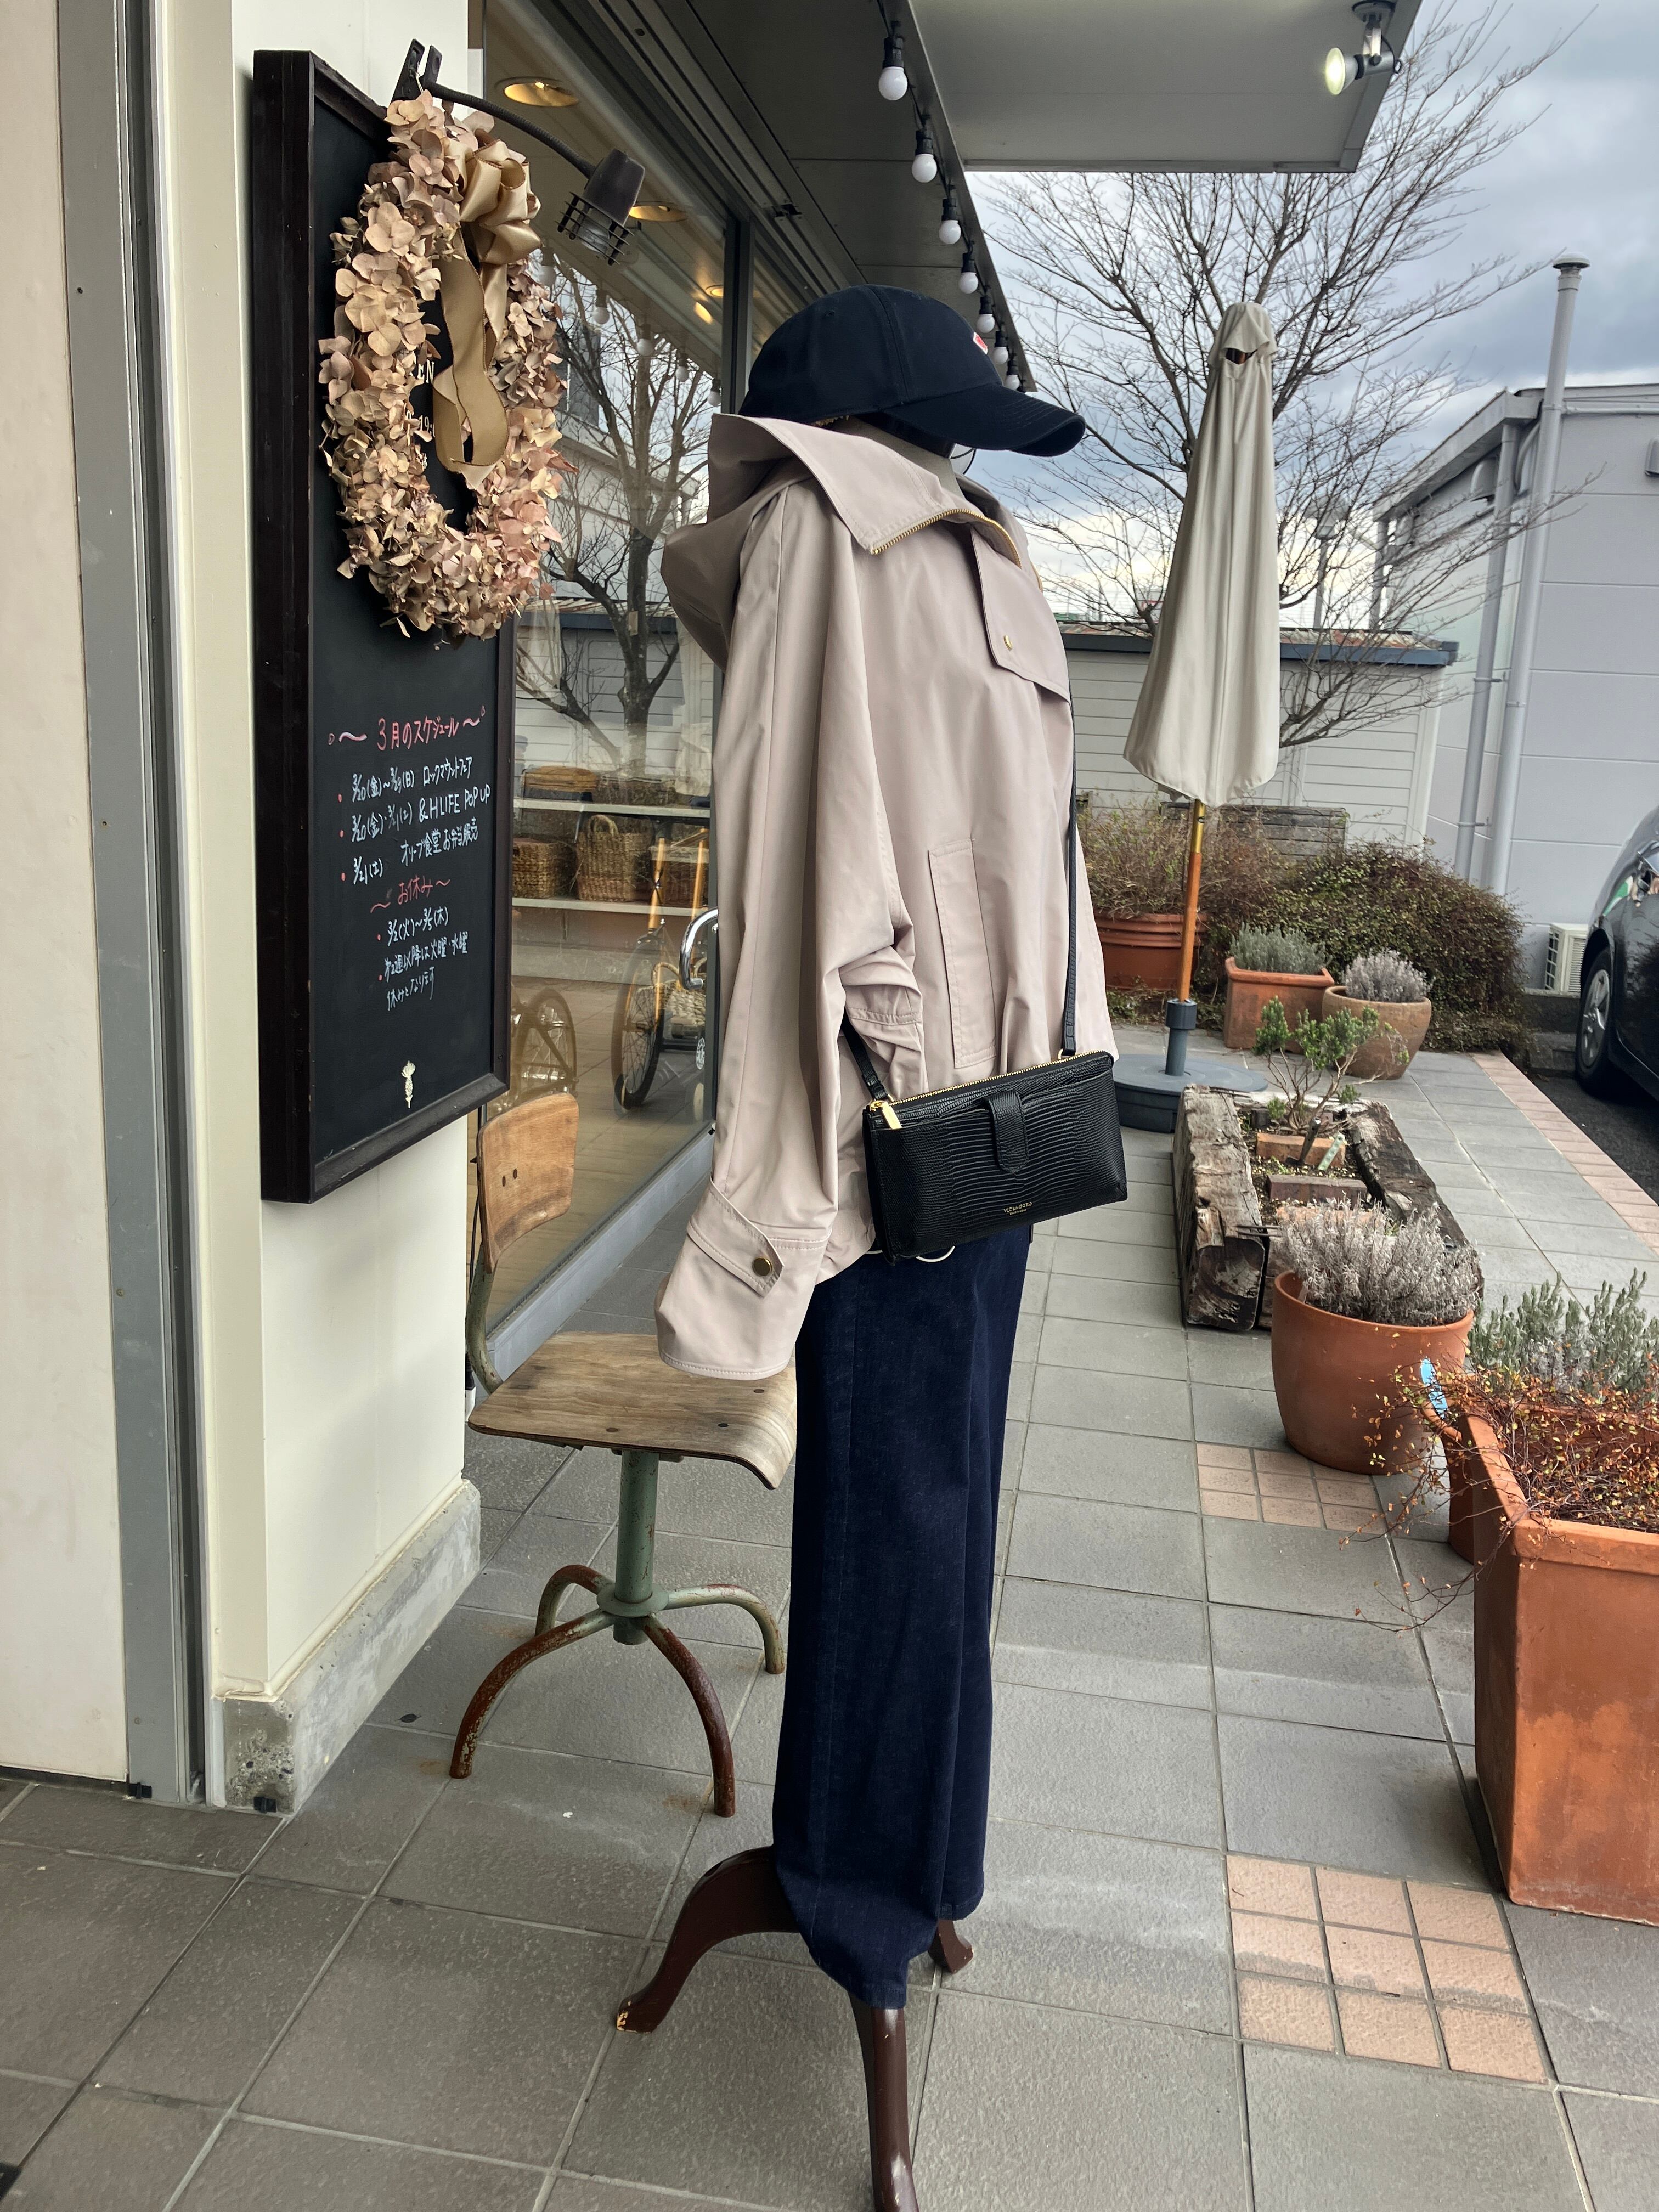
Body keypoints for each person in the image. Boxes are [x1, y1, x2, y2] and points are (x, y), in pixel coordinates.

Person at [623, 285, 1113, 2211]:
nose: (971, 448)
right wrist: (784, 1187)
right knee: (899, 1526)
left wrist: (1058, 1062)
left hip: (988, 1131)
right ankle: (863, 1900)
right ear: (877, 419)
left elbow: (1039, 851)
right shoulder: (835, 539)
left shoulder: (960, 548)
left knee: (937, 1519)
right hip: (892, 1134)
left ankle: (907, 1863)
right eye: (952, 418)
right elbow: (796, 869)